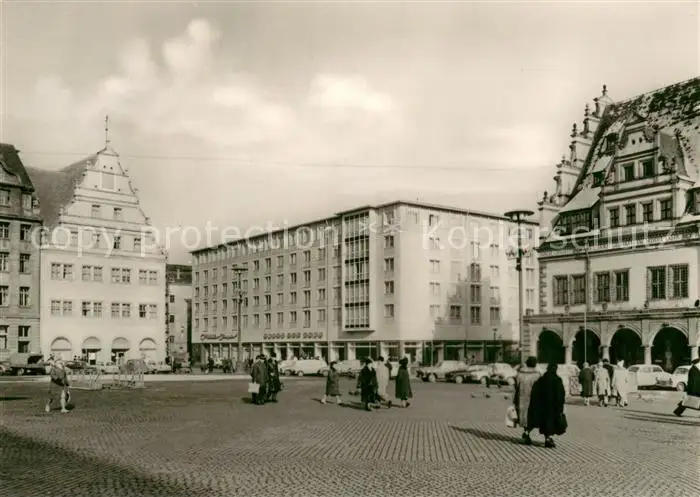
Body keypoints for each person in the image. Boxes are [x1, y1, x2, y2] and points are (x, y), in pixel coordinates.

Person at [528, 362, 566, 448]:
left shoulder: (541, 379)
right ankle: (548, 439)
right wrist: (560, 406)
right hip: (553, 406)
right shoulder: (557, 379)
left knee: (545, 422)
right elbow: (561, 394)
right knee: (551, 422)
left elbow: (535, 392)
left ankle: (547, 438)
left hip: (542, 406)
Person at [513, 356, 541, 445]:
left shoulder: (519, 374)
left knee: (523, 416)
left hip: (521, 398)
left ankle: (526, 432)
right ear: (535, 364)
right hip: (533, 399)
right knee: (532, 416)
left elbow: (516, 385)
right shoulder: (537, 375)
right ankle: (527, 432)